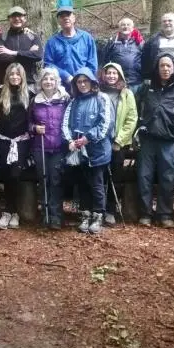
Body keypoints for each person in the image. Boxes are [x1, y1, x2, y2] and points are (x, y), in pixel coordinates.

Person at [135, 53, 174, 228]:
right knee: (144, 177)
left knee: (168, 178)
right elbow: (135, 111)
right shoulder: (146, 88)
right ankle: (145, 213)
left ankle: (165, 214)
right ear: (157, 68)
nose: (165, 69)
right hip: (148, 141)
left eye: (168, 66)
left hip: (169, 142)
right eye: (162, 66)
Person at [62, 67, 113, 234]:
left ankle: (98, 215)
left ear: (92, 82)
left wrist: (88, 138)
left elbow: (105, 124)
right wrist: (70, 140)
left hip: (97, 150)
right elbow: (66, 124)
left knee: (97, 184)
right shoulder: (73, 102)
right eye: (79, 82)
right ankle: (85, 214)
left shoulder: (102, 98)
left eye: (85, 81)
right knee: (82, 184)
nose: (82, 84)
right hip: (78, 151)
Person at [29, 67, 70, 229]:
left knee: (55, 180)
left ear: (56, 82)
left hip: (59, 147)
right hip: (40, 147)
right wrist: (34, 129)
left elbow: (69, 120)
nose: (48, 82)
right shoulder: (34, 101)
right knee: (43, 180)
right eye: (45, 79)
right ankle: (45, 214)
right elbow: (29, 123)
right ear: (41, 82)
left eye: (52, 79)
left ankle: (56, 216)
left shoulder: (64, 99)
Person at [99, 62, 138, 226]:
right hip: (99, 142)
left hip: (118, 144)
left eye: (115, 73)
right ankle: (98, 209)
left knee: (115, 177)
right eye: (109, 73)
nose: (111, 76)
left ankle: (111, 210)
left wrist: (119, 140)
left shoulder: (127, 94)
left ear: (120, 75)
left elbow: (132, 119)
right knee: (99, 177)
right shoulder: (98, 92)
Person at [0, 63, 32, 230]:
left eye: (18, 74)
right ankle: (7, 212)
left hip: (21, 141)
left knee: (16, 175)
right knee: (5, 175)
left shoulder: (29, 94)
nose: (15, 77)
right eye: (12, 74)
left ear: (22, 76)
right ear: (7, 76)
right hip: (3, 140)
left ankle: (14, 212)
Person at [43, 5, 98, 87]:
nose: (65, 18)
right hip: (61, 86)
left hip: (84, 84)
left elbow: (92, 63)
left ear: (74, 18)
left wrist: (82, 78)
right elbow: (48, 64)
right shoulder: (52, 42)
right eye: (62, 16)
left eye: (68, 15)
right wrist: (66, 76)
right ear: (58, 20)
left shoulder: (86, 38)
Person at [0, 6, 43, 86]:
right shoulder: (0, 37)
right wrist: (28, 54)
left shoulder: (33, 37)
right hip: (7, 84)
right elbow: (1, 58)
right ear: (8, 19)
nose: (17, 18)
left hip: (29, 83)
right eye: (13, 16)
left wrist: (13, 53)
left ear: (25, 18)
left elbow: (38, 55)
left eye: (20, 16)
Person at [141, 13, 174, 79]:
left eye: (170, 20)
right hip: (159, 79)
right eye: (164, 21)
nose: (167, 23)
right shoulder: (153, 40)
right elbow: (145, 60)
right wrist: (147, 77)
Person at [98, 18, 144, 93]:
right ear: (119, 28)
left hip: (136, 82)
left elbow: (146, 60)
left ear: (132, 28)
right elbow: (104, 60)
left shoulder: (139, 42)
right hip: (118, 82)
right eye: (123, 25)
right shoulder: (112, 42)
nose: (125, 27)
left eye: (128, 25)